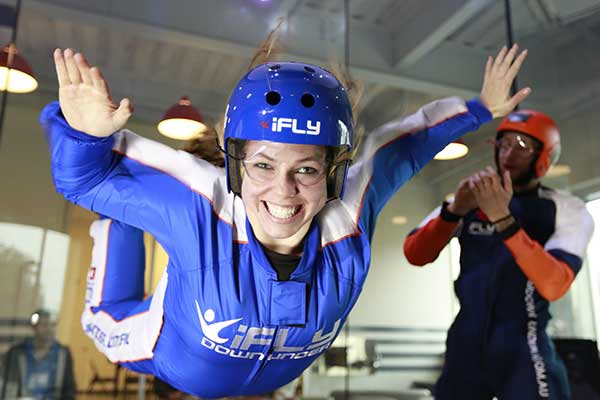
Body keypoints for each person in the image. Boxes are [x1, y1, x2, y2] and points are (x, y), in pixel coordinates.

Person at [40, 44, 529, 397]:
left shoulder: (348, 217)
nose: (284, 191)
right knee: (103, 293)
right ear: (235, 167)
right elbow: (85, 180)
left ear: (334, 173)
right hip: (162, 348)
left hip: (262, 375)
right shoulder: (201, 203)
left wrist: (480, 108)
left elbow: (402, 145)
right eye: (263, 166)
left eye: (307, 170)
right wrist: (83, 136)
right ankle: (120, 223)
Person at [403, 110, 594, 399]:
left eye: (522, 146)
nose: (509, 154)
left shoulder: (566, 209)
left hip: (523, 345)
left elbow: (555, 284)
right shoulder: (468, 198)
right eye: (504, 144)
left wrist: (503, 220)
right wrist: (452, 212)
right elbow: (415, 254)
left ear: (544, 156)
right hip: (465, 342)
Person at [1, 309, 76, 399]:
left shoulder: (63, 354)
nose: (49, 329)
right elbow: (8, 387)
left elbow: (69, 389)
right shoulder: (16, 353)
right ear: (34, 327)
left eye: (52, 325)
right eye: (44, 325)